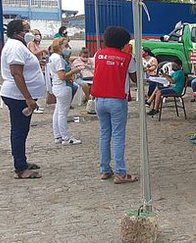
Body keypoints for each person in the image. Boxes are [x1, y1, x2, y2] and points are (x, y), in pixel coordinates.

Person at [91, 26, 138, 184]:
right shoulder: (127, 58)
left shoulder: (98, 54)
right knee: (118, 136)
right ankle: (121, 173)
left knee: (104, 134)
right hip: (117, 100)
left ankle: (105, 170)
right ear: (123, 43)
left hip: (99, 100)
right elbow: (135, 78)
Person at [1, 20, 45, 179]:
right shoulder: (15, 47)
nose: (30, 33)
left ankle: (22, 161)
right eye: (26, 30)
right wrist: (28, 98)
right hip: (17, 96)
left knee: (22, 130)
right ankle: (20, 168)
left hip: (20, 96)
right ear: (16, 32)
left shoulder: (18, 46)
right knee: (19, 131)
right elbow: (16, 73)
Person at [46, 39, 82, 145]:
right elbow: (62, 76)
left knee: (58, 112)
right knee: (62, 113)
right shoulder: (58, 59)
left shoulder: (53, 57)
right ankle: (66, 137)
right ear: (60, 46)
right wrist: (75, 71)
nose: (67, 48)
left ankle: (58, 135)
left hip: (57, 87)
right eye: (65, 46)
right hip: (63, 87)